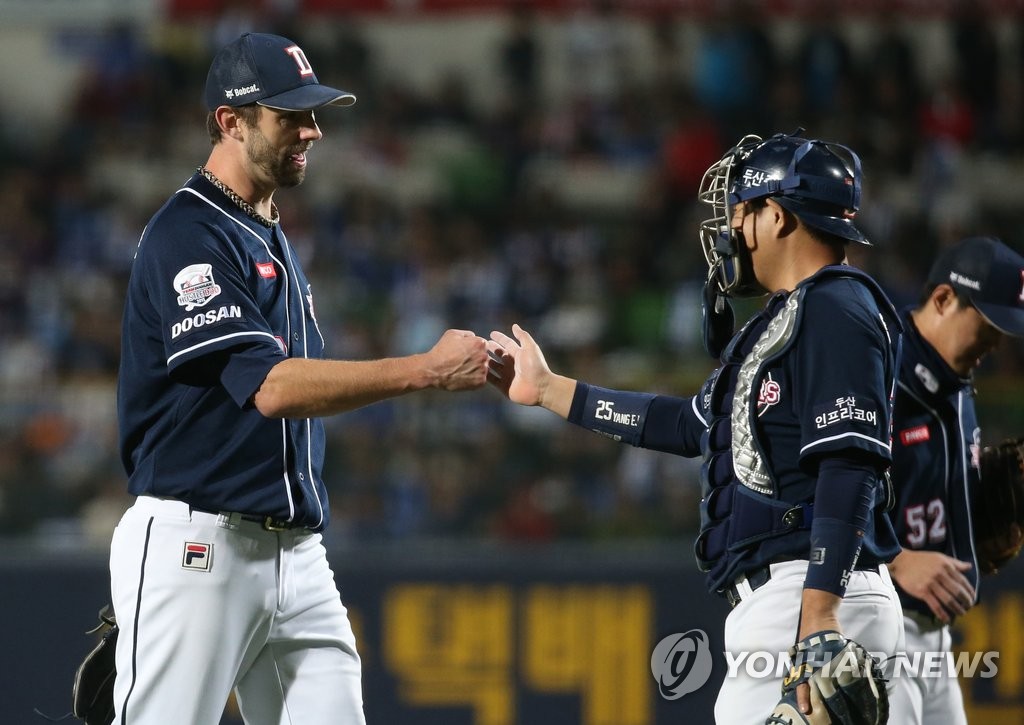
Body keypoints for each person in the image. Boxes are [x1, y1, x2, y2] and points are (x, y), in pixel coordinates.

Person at [110, 32, 490, 724]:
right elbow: (274, 389)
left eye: (312, 113)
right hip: (201, 544)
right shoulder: (188, 233)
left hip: (297, 553)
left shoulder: (268, 233)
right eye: (290, 115)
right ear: (231, 121)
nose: (313, 128)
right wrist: (424, 370)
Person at [486, 131, 905, 723]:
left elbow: (849, 463)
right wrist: (553, 391)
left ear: (779, 217)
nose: (729, 229)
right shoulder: (788, 318)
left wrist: (820, 614)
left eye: (741, 211)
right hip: (791, 600)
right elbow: (688, 425)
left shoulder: (836, 306)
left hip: (811, 594)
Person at [886, 236, 1024, 725]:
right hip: (875, 626)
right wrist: (896, 560)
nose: (995, 343)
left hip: (934, 637)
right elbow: (810, 497)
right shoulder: (878, 371)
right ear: (943, 299)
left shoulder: (955, 381)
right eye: (987, 325)